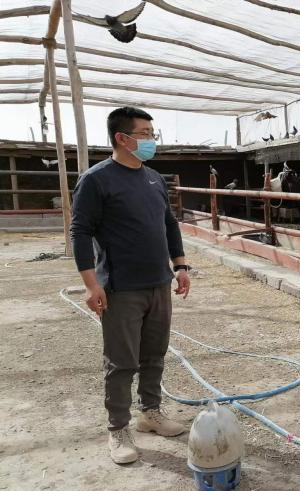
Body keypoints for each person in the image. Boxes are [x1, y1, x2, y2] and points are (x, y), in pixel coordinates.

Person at [71, 106, 191, 465]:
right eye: (145, 134)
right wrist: (91, 285)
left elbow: (169, 224)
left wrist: (180, 265)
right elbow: (80, 232)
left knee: (154, 354)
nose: (152, 140)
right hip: (121, 288)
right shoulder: (96, 180)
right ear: (122, 138)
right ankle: (118, 428)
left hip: (159, 282)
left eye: (153, 133)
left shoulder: (153, 178)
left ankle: (150, 413)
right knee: (121, 362)